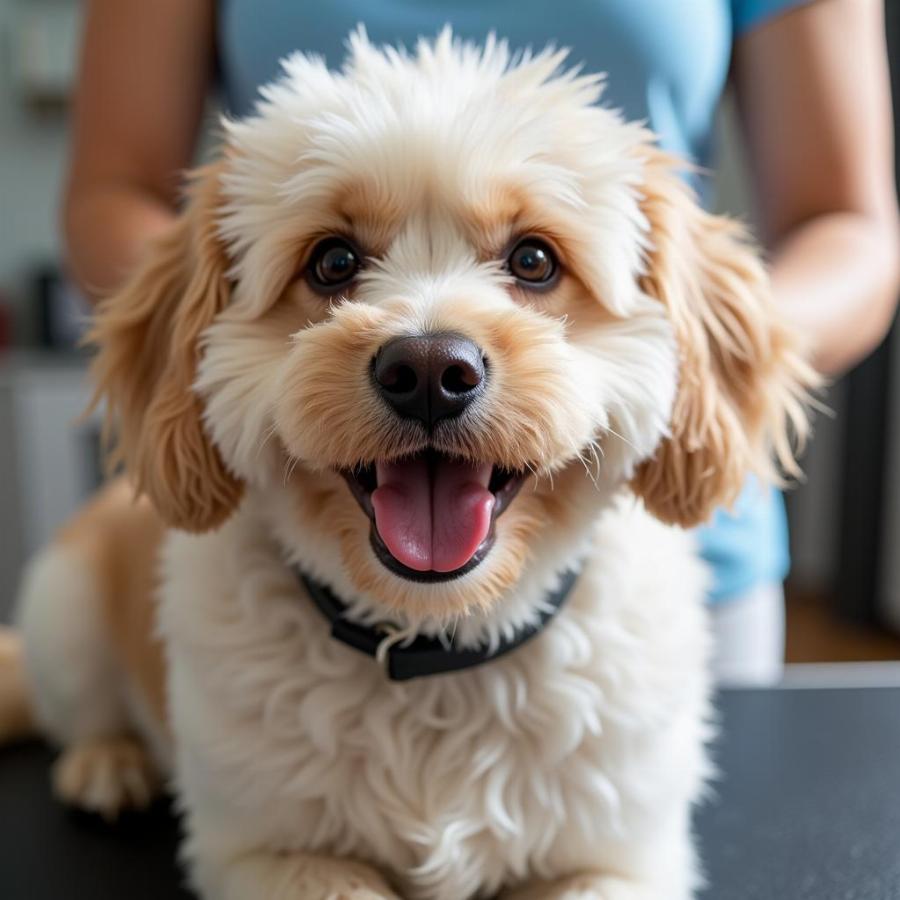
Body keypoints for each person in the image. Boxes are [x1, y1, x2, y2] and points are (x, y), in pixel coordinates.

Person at [63, 0, 900, 685]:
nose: (433, 349)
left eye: (532, 263)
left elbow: (847, 224)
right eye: (336, 262)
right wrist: (196, 362)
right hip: (275, 575)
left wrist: (700, 381)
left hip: (668, 572)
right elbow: (116, 187)